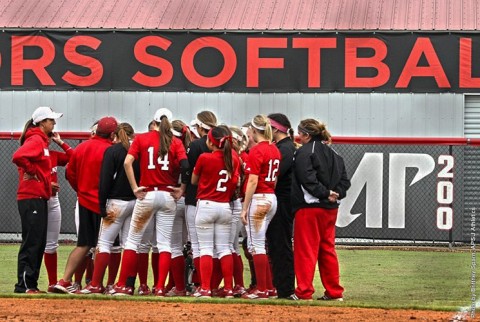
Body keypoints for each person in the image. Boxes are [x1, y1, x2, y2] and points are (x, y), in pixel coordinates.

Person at [111, 108, 189, 296]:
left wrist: (135, 187)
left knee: (132, 242)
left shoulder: (142, 138)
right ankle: (160, 287)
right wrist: (182, 189)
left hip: (147, 194)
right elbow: (186, 166)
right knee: (164, 244)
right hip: (168, 195)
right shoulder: (175, 141)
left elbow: (127, 162)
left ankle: (122, 284)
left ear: (153, 121)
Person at [54, 116, 118, 293]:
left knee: (83, 244)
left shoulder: (82, 147)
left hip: (84, 201)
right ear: (113, 134)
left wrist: (80, 190)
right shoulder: (111, 151)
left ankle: (65, 280)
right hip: (104, 204)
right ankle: (97, 284)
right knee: (105, 245)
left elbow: (70, 173)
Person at [290, 119, 350, 301]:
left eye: (300, 133)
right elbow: (345, 182)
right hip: (330, 209)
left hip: (310, 208)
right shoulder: (334, 153)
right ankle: (334, 292)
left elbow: (307, 180)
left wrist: (325, 193)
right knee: (327, 249)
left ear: (306, 134)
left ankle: (304, 291)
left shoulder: (304, 152)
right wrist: (335, 194)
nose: (298, 137)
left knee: (306, 250)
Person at [78, 123, 139, 294]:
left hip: (116, 203)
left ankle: (96, 283)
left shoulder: (112, 151)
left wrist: (101, 203)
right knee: (129, 244)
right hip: (136, 202)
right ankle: (124, 285)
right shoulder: (138, 150)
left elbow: (104, 181)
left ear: (115, 135)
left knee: (104, 243)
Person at [12, 106, 63, 294]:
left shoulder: (41, 141)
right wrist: (32, 172)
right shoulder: (35, 139)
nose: (54, 123)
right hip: (31, 197)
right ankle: (24, 285)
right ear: (42, 122)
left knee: (38, 242)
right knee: (32, 241)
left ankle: (30, 284)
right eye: (51, 120)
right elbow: (18, 156)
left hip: (38, 196)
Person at [191, 125, 240, 298]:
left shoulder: (204, 157)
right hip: (225, 206)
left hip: (206, 205)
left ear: (212, 143)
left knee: (205, 248)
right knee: (224, 248)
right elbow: (234, 184)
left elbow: (194, 180)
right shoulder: (234, 159)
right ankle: (228, 288)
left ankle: (205, 288)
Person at [240, 115, 281, 300]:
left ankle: (262, 289)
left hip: (259, 198)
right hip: (271, 196)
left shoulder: (257, 151)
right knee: (261, 244)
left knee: (256, 245)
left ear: (255, 131)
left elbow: (253, 181)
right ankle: (270, 288)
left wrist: (245, 207)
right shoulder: (275, 150)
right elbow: (275, 178)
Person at [184, 111, 217, 291]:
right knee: (219, 247)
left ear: (199, 127)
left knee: (198, 246)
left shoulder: (197, 145)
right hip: (220, 200)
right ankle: (217, 285)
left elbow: (187, 173)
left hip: (196, 198)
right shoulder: (224, 145)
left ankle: (200, 285)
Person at [265, 113, 296, 299]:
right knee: (276, 243)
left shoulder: (285, 149)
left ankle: (285, 289)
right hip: (282, 200)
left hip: (282, 201)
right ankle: (280, 286)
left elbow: (276, 177)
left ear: (275, 129)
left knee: (280, 244)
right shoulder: (284, 147)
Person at [44, 132, 74, 293]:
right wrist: (47, 185)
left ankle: (52, 283)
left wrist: (60, 142)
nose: (48, 138)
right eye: (47, 135)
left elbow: (74, 157)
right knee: (35, 243)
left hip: (54, 200)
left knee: (52, 244)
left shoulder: (53, 155)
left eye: (50, 136)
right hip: (38, 199)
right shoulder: (32, 153)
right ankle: (29, 283)